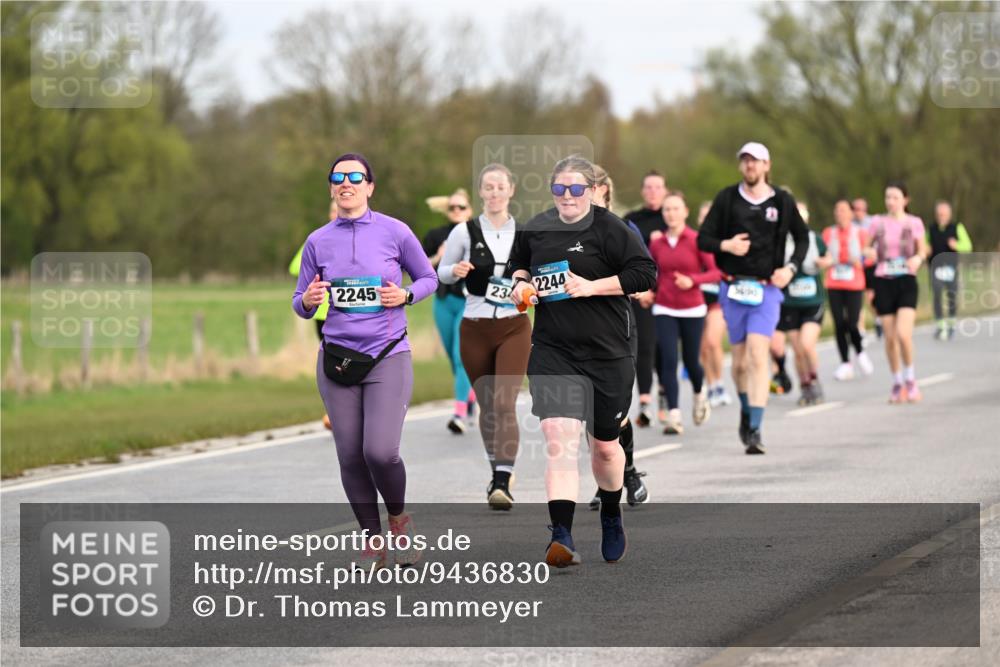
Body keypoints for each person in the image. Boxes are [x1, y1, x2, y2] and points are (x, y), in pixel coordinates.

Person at [509, 155, 656, 567]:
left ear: (592, 191)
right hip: (555, 351)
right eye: (560, 189)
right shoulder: (536, 228)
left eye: (576, 189)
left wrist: (591, 287)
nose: (568, 196)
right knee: (559, 441)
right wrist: (520, 289)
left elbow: (645, 275)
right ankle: (561, 534)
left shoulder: (610, 228)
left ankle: (611, 509)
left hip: (608, 352)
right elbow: (518, 269)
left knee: (606, 450)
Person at [293, 152, 437, 569]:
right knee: (350, 455)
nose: (346, 183)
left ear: (370, 187)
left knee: (380, 451)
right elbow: (299, 302)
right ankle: (372, 538)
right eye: (338, 178)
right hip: (337, 360)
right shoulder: (318, 240)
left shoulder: (395, 231)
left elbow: (428, 277)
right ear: (332, 188)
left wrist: (406, 295)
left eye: (356, 177)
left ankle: (398, 520)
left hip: (387, 353)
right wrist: (308, 300)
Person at [697, 142, 809, 454]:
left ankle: (756, 428)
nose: (750, 166)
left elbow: (801, 237)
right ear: (740, 166)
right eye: (745, 161)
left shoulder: (782, 201)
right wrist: (726, 245)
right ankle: (746, 409)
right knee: (740, 363)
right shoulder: (727, 198)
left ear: (766, 165)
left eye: (755, 161)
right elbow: (704, 239)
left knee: (759, 355)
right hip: (733, 288)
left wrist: (790, 268)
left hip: (767, 288)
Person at [437, 164, 531, 510]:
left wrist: (530, 288)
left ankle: (503, 481)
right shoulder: (464, 232)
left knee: (505, 403)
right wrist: (455, 270)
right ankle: (496, 471)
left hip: (513, 326)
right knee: (488, 406)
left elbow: (537, 273)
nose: (494, 193)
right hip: (474, 325)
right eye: (488, 188)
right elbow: (441, 273)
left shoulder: (524, 233)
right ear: (480, 193)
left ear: (511, 191)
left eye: (499, 187)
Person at [587, 164, 649, 510]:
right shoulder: (564, 231)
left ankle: (631, 472)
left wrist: (633, 286)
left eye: (586, 187)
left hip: (618, 330)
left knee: (616, 412)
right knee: (588, 414)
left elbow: (643, 271)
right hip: (579, 332)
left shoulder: (623, 228)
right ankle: (605, 481)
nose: (576, 194)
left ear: (602, 191)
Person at [649, 192, 719, 432]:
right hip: (664, 307)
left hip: (692, 308)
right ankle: (674, 415)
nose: (671, 214)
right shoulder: (656, 244)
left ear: (685, 212)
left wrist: (693, 280)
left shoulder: (697, 240)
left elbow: (716, 273)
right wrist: (648, 291)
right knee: (669, 359)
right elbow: (651, 272)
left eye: (676, 209)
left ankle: (700, 394)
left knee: (692, 361)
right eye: (667, 209)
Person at [867, 181, 928, 403]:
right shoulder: (877, 222)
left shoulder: (914, 223)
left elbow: (923, 249)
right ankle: (897, 382)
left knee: (904, 334)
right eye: (887, 197)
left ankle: (911, 379)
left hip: (906, 281)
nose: (890, 201)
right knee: (890, 338)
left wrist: (918, 258)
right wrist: (869, 253)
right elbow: (866, 246)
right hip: (884, 281)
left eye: (895, 197)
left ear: (905, 200)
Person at [423, 188, 477, 434]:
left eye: (462, 207)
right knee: (452, 357)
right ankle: (471, 394)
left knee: (461, 356)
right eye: (453, 207)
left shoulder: (479, 235)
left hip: (469, 301)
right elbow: (420, 269)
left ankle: (458, 413)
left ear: (470, 210)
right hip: (443, 301)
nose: (457, 211)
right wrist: (439, 256)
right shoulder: (435, 235)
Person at [624, 171, 668, 427]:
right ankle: (645, 402)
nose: (653, 192)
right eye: (649, 187)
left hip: (668, 294)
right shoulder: (632, 220)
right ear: (643, 191)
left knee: (664, 347)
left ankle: (663, 392)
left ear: (665, 190)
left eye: (658, 187)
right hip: (642, 294)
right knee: (644, 347)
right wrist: (641, 290)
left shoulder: (672, 216)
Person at [776, 206, 832, 406]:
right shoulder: (781, 241)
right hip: (790, 302)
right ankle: (805, 385)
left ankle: (814, 380)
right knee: (798, 349)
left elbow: (829, 257)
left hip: (812, 301)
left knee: (807, 345)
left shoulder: (814, 238)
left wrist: (823, 262)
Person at [290, 198, 338, 429]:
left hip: (352, 312)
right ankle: (332, 412)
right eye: (332, 210)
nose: (336, 213)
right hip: (322, 312)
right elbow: (294, 267)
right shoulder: (319, 239)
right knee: (331, 361)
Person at [823, 198, 876, 381]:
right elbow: (824, 256)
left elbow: (871, 257)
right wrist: (826, 261)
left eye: (844, 210)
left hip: (854, 284)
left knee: (852, 323)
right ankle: (845, 363)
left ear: (851, 213)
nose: (840, 214)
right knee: (839, 324)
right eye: (837, 210)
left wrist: (859, 260)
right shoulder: (828, 233)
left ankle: (860, 353)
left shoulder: (860, 234)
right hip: (834, 283)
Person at [694, 201, 732, 407]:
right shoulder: (692, 240)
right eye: (703, 215)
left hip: (718, 298)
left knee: (712, 342)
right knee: (703, 348)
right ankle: (711, 385)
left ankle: (720, 384)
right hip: (697, 299)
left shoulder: (723, 243)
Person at [927, 200, 973, 340]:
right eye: (939, 214)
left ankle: (951, 324)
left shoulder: (957, 227)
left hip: (951, 269)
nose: (941, 216)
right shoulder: (931, 229)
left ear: (949, 214)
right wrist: (925, 250)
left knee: (951, 297)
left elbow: (968, 246)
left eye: (944, 214)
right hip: (935, 268)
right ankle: (941, 326)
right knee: (937, 296)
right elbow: (924, 245)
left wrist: (956, 245)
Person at [853, 197, 879, 340]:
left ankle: (878, 319)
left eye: (861, 209)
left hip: (870, 264)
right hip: (856, 266)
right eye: (855, 209)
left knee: (870, 297)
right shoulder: (850, 224)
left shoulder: (872, 222)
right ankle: (860, 328)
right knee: (857, 298)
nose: (858, 212)